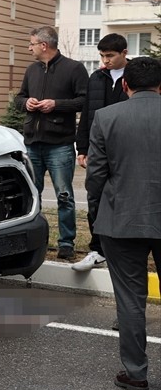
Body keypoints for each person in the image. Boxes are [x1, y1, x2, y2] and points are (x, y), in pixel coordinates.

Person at [84, 56, 161, 390]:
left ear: (125, 84)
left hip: (121, 219)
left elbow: (95, 176)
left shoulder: (106, 117)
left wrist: (98, 208)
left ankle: (136, 373)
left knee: (130, 299)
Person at [14, 25, 88, 260]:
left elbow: (84, 101)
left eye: (32, 44)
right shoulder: (31, 70)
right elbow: (19, 98)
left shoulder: (74, 69)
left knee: (64, 196)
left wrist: (56, 104)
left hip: (60, 145)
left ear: (44, 45)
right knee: (31, 195)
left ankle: (66, 243)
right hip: (32, 143)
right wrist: (26, 103)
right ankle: (32, 241)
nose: (29, 48)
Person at [74, 33, 131, 272]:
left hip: (126, 150)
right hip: (97, 149)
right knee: (95, 198)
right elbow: (87, 114)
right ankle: (97, 249)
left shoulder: (135, 76)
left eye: (110, 55)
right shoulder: (96, 77)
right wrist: (82, 148)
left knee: (124, 200)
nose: (105, 60)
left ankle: (123, 250)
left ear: (124, 53)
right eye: (102, 56)